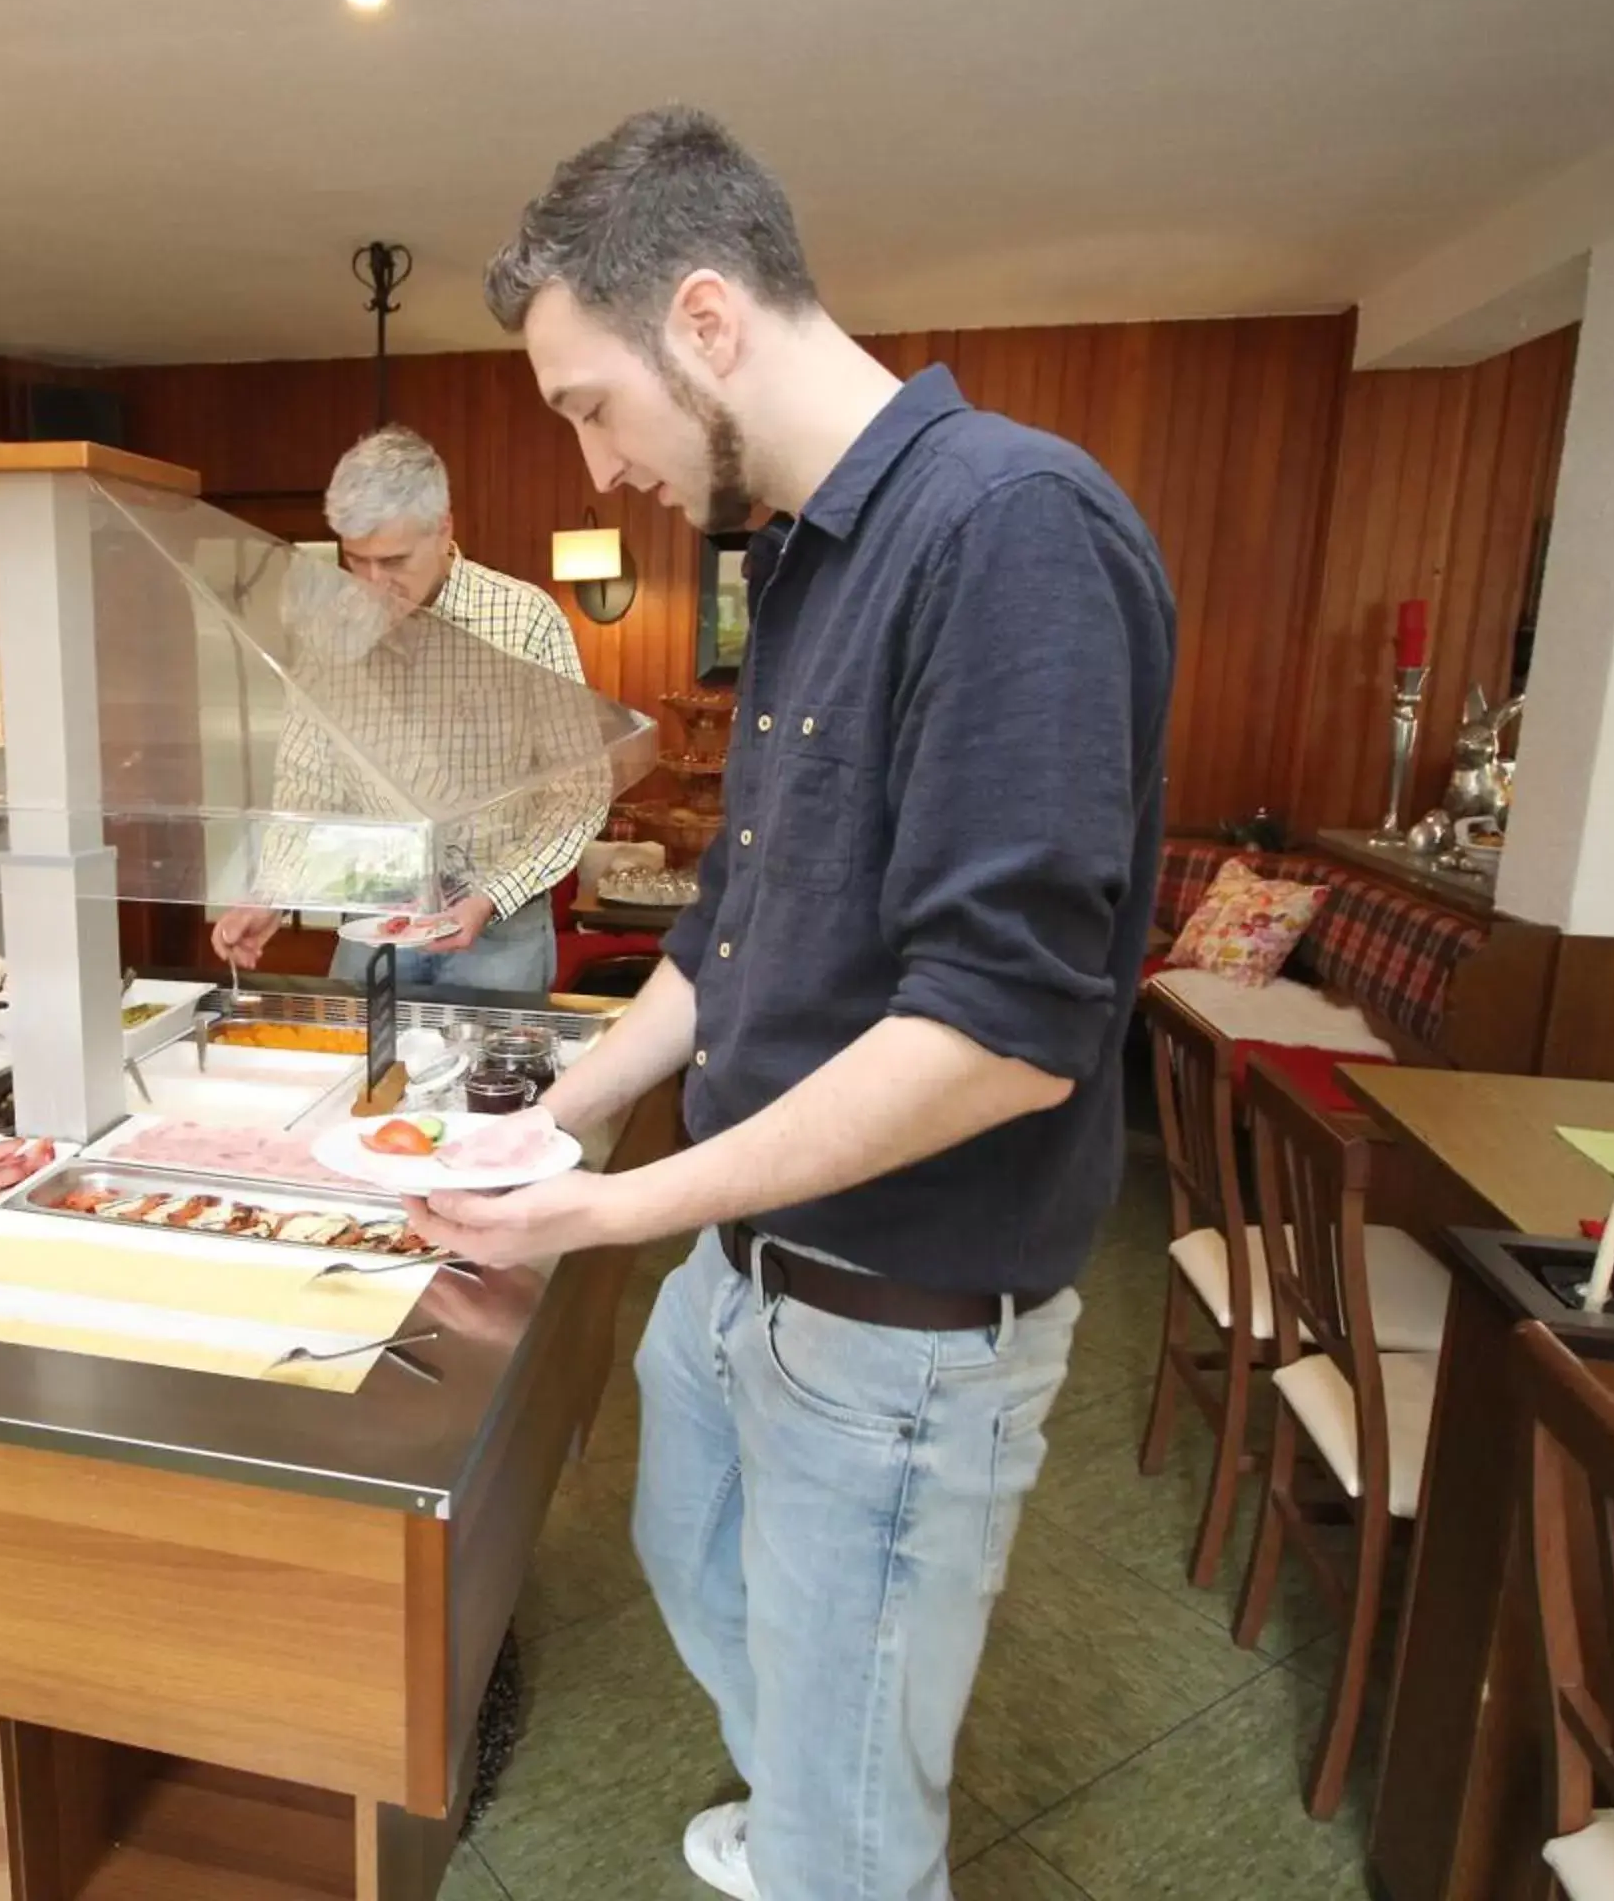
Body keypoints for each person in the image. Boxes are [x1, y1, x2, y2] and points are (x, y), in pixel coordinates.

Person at [411, 109, 1177, 1901]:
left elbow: (997, 1037)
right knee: (698, 1566)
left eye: (589, 405)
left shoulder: (1013, 529)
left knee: (852, 1821)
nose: (598, 472)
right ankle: (812, 1803)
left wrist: (611, 1209)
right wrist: (568, 1111)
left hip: (905, 1320)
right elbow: (727, 934)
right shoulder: (807, 561)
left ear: (703, 320)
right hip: (750, 1269)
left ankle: (840, 1849)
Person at [210, 426, 605, 994]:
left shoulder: (526, 621)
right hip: (372, 919)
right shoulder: (330, 632)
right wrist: (275, 894)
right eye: (355, 559)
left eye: (393, 560)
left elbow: (579, 792)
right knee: (359, 1078)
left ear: (444, 529)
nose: (372, 584)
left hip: (498, 932)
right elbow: (307, 784)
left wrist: (491, 896)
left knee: (492, 1083)